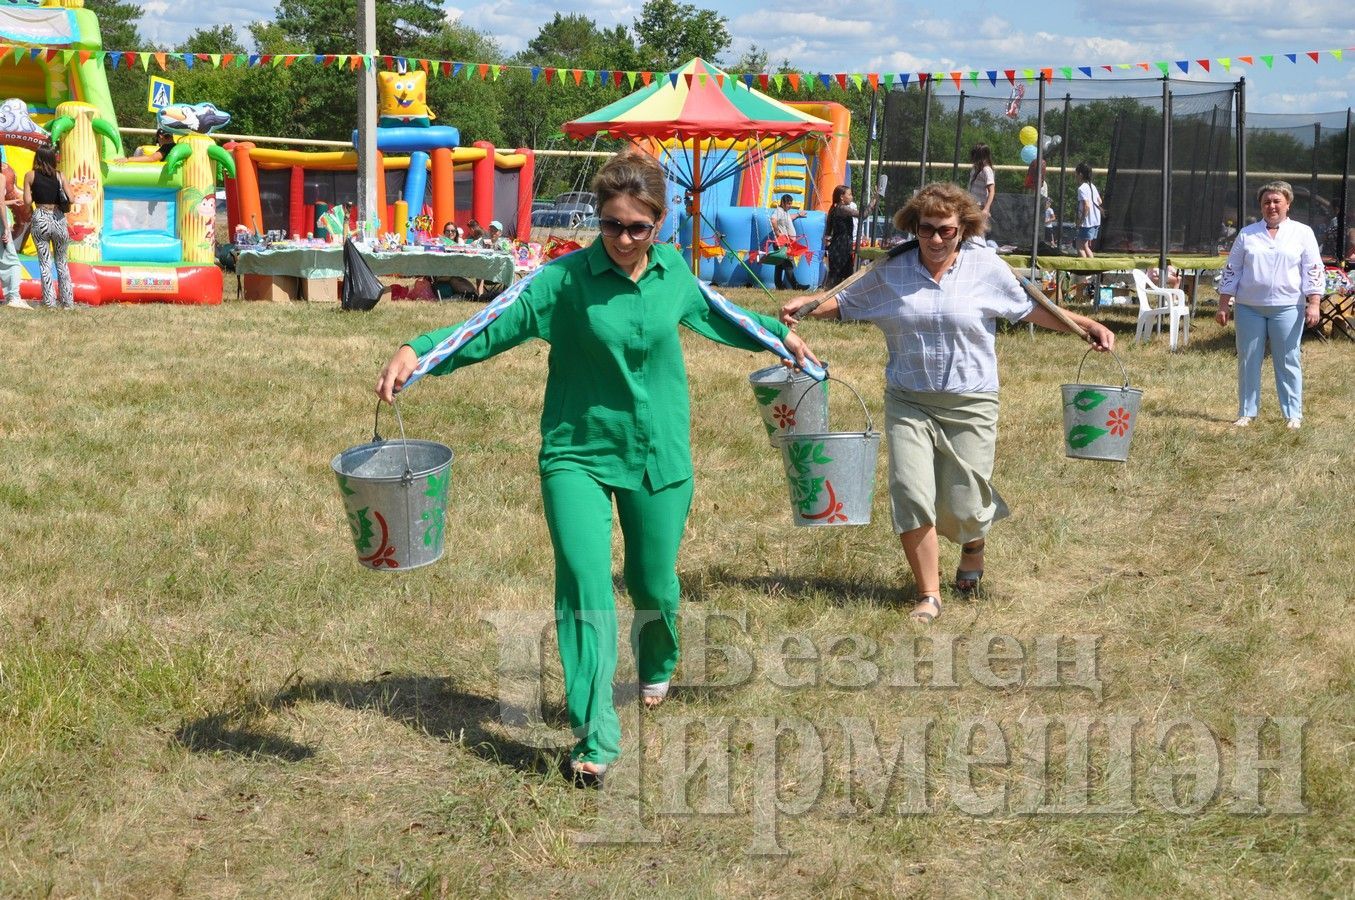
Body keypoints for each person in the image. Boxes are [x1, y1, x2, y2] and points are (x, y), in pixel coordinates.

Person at [375, 152, 819, 786]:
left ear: (660, 224)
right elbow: (489, 325)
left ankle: (657, 658)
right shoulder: (562, 282)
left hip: (658, 452)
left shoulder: (675, 275)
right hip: (576, 453)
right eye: (612, 225)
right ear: (598, 220)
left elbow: (725, 316)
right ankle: (595, 733)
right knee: (584, 583)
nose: (624, 239)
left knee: (654, 584)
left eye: (638, 227)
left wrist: (782, 337)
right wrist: (416, 351)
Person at [780, 182, 1114, 625]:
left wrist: (1083, 323)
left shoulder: (986, 267)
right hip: (908, 399)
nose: (936, 240)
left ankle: (973, 544)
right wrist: (809, 305)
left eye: (946, 231)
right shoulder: (891, 269)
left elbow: (1030, 308)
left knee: (963, 508)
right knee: (911, 493)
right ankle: (929, 593)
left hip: (971, 400)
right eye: (926, 230)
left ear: (964, 230)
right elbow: (845, 302)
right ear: (912, 229)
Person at [1216, 180, 1323, 430]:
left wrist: (1314, 303)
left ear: (1288, 204)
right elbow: (1232, 270)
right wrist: (1224, 305)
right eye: (1266, 202)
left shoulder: (1303, 232)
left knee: (1288, 359)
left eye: (1277, 201)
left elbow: (1313, 269)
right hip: (1249, 307)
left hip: (1288, 307)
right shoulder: (1247, 233)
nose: (1271, 206)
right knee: (1248, 358)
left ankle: (1292, 414)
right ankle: (1246, 411)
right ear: (1261, 206)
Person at [23, 144, 73, 309]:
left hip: (41, 218)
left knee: (45, 263)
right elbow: (71, 199)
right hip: (58, 218)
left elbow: (28, 202)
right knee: (62, 262)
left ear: (37, 158)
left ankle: (50, 303)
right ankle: (67, 303)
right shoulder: (60, 176)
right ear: (53, 158)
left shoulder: (30, 176)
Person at [0, 161, 29, 309]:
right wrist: (6, 227)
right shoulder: (1, 177)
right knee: (13, 261)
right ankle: (14, 297)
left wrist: (10, 201)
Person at [824, 184, 863, 288]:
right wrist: (873, 201)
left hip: (839, 247)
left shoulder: (834, 208)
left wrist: (827, 243)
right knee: (839, 278)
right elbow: (862, 214)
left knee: (839, 277)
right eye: (849, 195)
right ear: (842, 197)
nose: (851, 197)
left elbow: (828, 230)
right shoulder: (842, 209)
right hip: (841, 248)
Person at [768, 193, 808, 290]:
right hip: (782, 242)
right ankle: (796, 286)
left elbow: (790, 218)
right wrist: (778, 233)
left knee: (780, 265)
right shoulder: (778, 211)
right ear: (783, 202)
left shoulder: (784, 212)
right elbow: (773, 220)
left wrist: (798, 214)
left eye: (791, 204)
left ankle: (779, 285)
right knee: (788, 263)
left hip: (785, 242)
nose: (790, 206)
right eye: (788, 204)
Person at [1075, 162, 1103, 259]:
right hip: (1095, 221)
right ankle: (1091, 269)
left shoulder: (1082, 188)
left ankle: (1085, 270)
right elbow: (1100, 201)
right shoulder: (1092, 186)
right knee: (1085, 246)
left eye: (1076, 174)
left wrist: (1081, 221)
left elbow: (1086, 206)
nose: (1076, 176)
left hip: (1087, 222)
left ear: (1081, 175)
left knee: (1079, 246)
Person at [966, 143, 996, 217]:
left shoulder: (986, 170)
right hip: (971, 204)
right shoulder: (974, 169)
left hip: (980, 206)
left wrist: (986, 208)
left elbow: (991, 191)